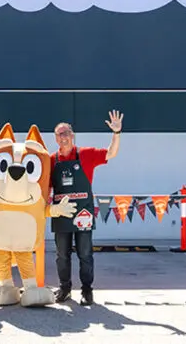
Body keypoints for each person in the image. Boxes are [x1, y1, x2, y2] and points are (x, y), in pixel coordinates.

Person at [48, 110, 123, 305]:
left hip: (83, 213)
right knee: (62, 255)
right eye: (59, 134)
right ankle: (64, 288)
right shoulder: (50, 160)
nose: (63, 138)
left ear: (72, 135)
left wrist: (116, 133)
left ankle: (87, 291)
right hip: (61, 214)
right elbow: (44, 186)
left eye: (66, 133)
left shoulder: (86, 154)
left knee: (85, 254)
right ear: (55, 138)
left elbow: (111, 154)